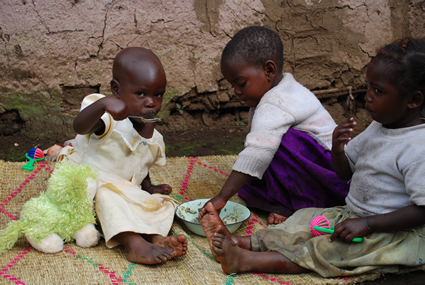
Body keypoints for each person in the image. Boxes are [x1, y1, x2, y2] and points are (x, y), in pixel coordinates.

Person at [200, 37, 425, 277]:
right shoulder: (379, 127)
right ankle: (245, 242)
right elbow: (345, 172)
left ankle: (245, 260)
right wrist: (338, 151)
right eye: (369, 86)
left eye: (378, 91)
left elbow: (422, 210)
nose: (367, 96)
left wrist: (368, 224)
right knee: (303, 221)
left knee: (326, 249)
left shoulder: (417, 148)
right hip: (351, 215)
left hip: (390, 234)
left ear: (413, 100)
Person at [206, 26, 349, 224]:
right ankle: (288, 201)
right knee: (261, 158)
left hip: (334, 177)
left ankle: (303, 206)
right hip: (324, 173)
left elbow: (257, 152)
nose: (236, 92)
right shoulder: (279, 91)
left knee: (275, 144)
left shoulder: (275, 103)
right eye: (233, 86)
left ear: (269, 70)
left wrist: (222, 197)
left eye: (241, 83)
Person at [57, 47, 187, 264]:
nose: (151, 102)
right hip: (93, 189)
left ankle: (156, 238)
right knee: (107, 197)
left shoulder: (152, 134)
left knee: (163, 204)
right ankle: (134, 245)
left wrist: (149, 187)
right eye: (141, 94)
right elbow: (80, 126)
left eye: (158, 94)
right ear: (116, 90)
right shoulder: (108, 121)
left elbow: (139, 162)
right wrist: (103, 105)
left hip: (125, 191)